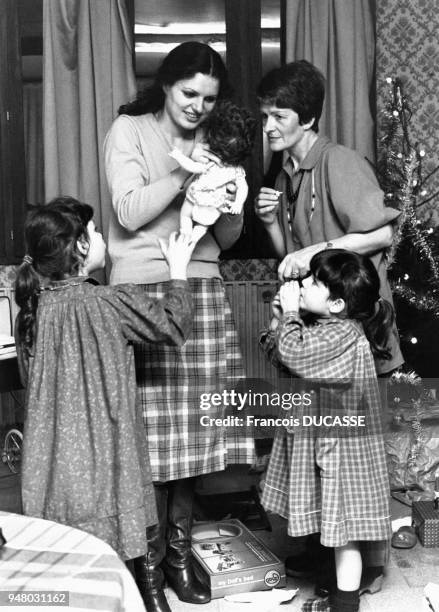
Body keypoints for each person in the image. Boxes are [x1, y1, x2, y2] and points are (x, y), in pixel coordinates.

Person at [104, 41, 254, 612]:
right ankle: (144, 567)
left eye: (210, 99)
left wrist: (234, 201)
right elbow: (128, 211)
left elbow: (227, 240)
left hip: (203, 287)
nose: (199, 107)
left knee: (194, 435)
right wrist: (187, 175)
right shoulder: (130, 130)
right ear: (166, 85)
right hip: (143, 290)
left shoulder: (216, 137)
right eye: (190, 93)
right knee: (148, 441)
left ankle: (177, 555)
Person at [254, 59, 403, 589]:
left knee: (356, 455)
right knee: (324, 451)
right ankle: (330, 553)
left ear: (309, 117)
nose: (269, 125)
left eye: (281, 115)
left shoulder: (338, 161)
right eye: (265, 114)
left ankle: (373, 566)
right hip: (319, 332)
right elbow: (297, 262)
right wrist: (273, 225)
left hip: (355, 331)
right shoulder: (288, 173)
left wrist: (322, 245)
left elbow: (383, 235)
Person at [14, 198, 196, 601]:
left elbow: (30, 382)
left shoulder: (30, 311)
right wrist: (179, 273)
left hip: (54, 466)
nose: (99, 238)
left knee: (69, 564)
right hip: (108, 457)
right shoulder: (111, 301)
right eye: (94, 233)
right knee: (121, 522)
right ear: (80, 248)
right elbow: (173, 325)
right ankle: (146, 594)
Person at [260, 248, 393, 612]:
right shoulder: (326, 326)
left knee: (344, 532)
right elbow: (288, 358)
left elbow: (296, 355)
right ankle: (325, 571)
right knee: (327, 515)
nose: (303, 283)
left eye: (314, 281)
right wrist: (279, 322)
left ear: (336, 304)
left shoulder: (342, 335)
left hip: (341, 448)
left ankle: (345, 603)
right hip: (324, 439)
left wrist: (289, 314)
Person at [169, 99, 256, 242]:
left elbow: (193, 167)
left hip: (197, 196)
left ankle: (186, 234)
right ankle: (193, 237)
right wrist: (238, 203)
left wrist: (179, 157)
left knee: (185, 214)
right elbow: (243, 188)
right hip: (215, 203)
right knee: (204, 225)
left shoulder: (209, 161)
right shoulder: (236, 171)